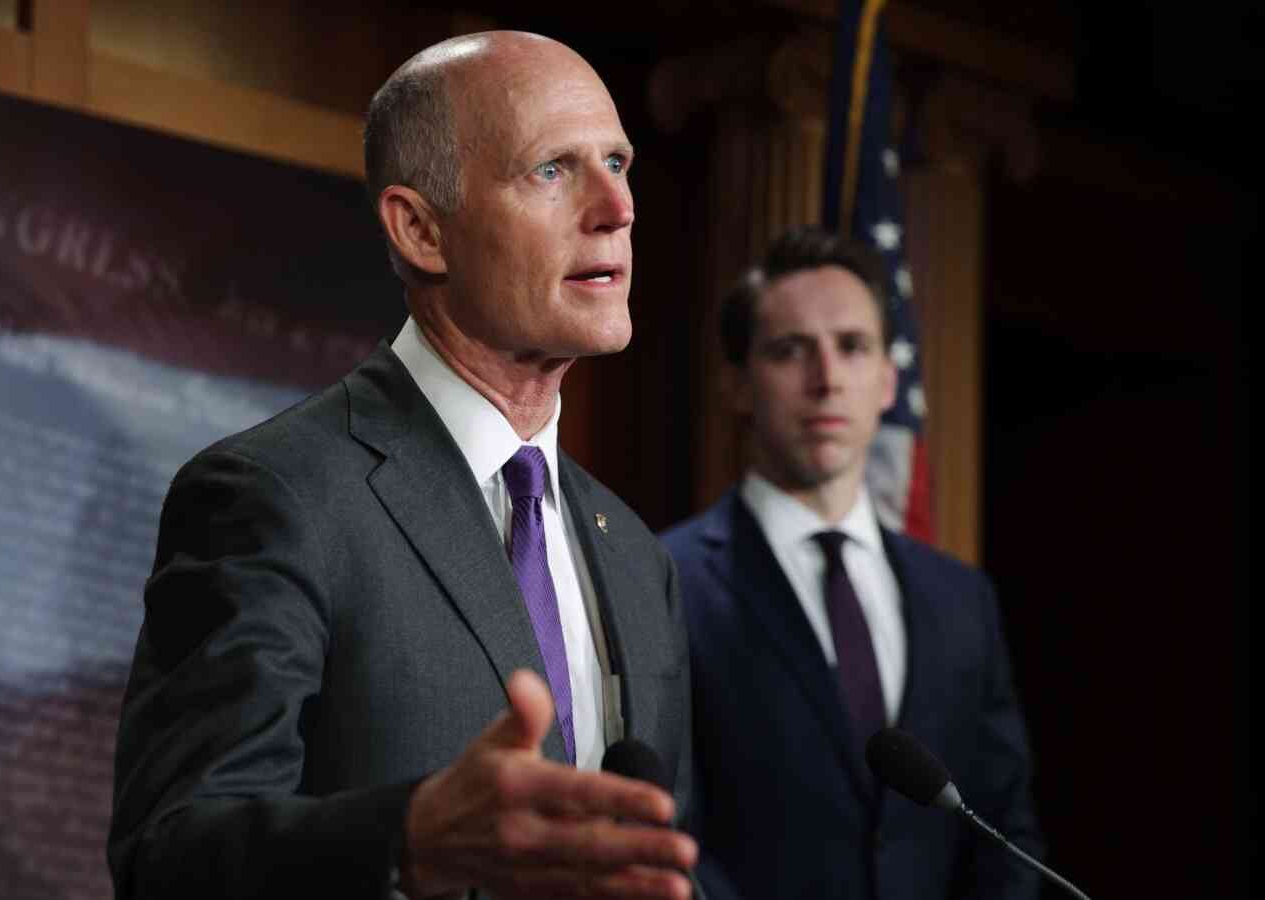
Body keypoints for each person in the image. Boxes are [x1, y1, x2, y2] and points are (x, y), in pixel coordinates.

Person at [107, 31, 700, 900]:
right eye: (552, 170)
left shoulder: (638, 559)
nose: (617, 208)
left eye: (617, 162)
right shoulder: (276, 496)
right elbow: (170, 856)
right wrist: (408, 841)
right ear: (421, 229)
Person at [662, 227, 1043, 900]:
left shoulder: (963, 599)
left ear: (889, 381)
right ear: (738, 384)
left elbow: (1005, 834)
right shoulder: (665, 578)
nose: (827, 379)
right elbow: (668, 832)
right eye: (790, 350)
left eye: (853, 347)